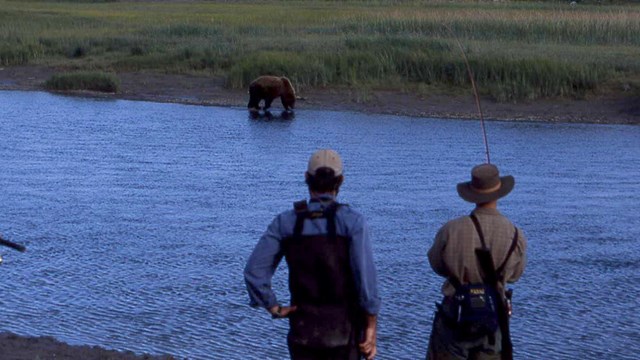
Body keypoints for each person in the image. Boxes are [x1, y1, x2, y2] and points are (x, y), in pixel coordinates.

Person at [244, 149, 380, 360]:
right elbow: (366, 281)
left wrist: (274, 307)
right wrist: (370, 327)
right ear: (340, 181)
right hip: (344, 333)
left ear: (307, 179)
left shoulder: (286, 222)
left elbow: (254, 272)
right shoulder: (353, 222)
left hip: (303, 331)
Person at [426, 163, 527, 360]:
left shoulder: (451, 229)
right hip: (492, 317)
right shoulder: (515, 235)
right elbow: (515, 275)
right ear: (498, 193)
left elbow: (436, 264)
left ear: (473, 193)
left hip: (454, 315)